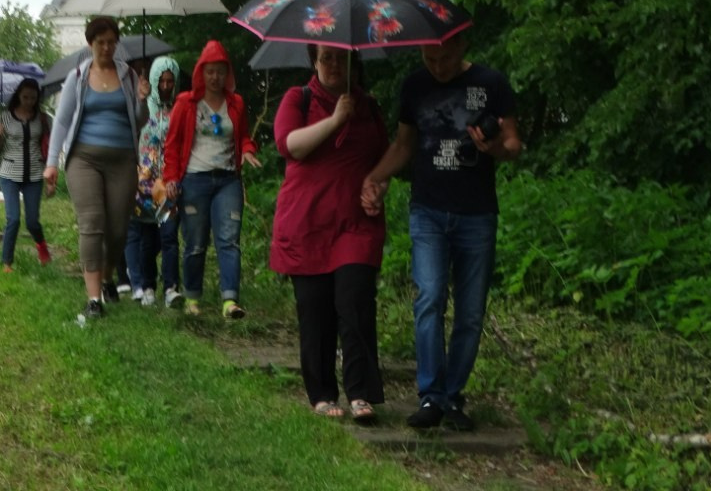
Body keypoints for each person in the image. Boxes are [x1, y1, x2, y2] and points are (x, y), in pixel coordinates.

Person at [361, 32, 522, 432]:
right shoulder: (415, 85)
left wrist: (495, 149)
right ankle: (430, 395)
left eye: (444, 59)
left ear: (462, 48)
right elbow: (403, 146)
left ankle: (453, 397)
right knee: (429, 297)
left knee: (470, 312)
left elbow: (514, 143)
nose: (437, 67)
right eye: (429, 58)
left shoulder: (491, 84)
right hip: (428, 210)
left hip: (477, 214)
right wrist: (373, 177)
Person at [272, 45, 389, 421]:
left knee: (355, 302)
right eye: (326, 57)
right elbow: (289, 145)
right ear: (314, 61)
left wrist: (378, 186)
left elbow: (383, 157)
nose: (334, 64)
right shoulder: (298, 98)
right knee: (315, 310)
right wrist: (335, 120)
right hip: (307, 221)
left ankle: (359, 392)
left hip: (355, 221)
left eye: (341, 57)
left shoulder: (368, 106)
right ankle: (322, 393)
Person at [45, 16, 145, 320]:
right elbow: (62, 121)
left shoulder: (129, 77)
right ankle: (93, 299)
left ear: (117, 44)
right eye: (100, 42)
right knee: (92, 224)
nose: (106, 47)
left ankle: (107, 277)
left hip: (123, 159)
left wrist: (143, 99)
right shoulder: (78, 76)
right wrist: (51, 163)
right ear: (91, 44)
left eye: (111, 42)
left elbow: (139, 121)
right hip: (83, 159)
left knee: (117, 231)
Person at [162, 39, 261, 319]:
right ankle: (193, 297)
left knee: (229, 240)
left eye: (220, 71)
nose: (215, 77)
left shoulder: (236, 103)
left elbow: (243, 137)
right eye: (210, 71)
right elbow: (172, 144)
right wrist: (171, 178)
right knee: (195, 243)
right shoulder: (186, 103)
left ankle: (230, 302)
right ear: (201, 72)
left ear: (227, 73)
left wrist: (248, 151)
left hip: (228, 180)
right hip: (194, 180)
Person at [125, 55, 183, 308]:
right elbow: (135, 125)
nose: (167, 86)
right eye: (162, 81)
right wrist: (141, 97)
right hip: (146, 182)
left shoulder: (180, 108)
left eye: (171, 81)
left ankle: (171, 286)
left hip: (170, 181)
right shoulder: (144, 107)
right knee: (149, 239)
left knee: (169, 236)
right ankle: (147, 284)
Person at [0, 77, 53, 272]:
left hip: (34, 174)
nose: (29, 101)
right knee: (14, 219)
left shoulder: (42, 118)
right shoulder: (5, 117)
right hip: (9, 173)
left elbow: (49, 147)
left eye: (33, 98)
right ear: (18, 95)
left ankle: (41, 247)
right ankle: (7, 262)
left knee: (32, 221)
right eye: (25, 97)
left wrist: (50, 178)